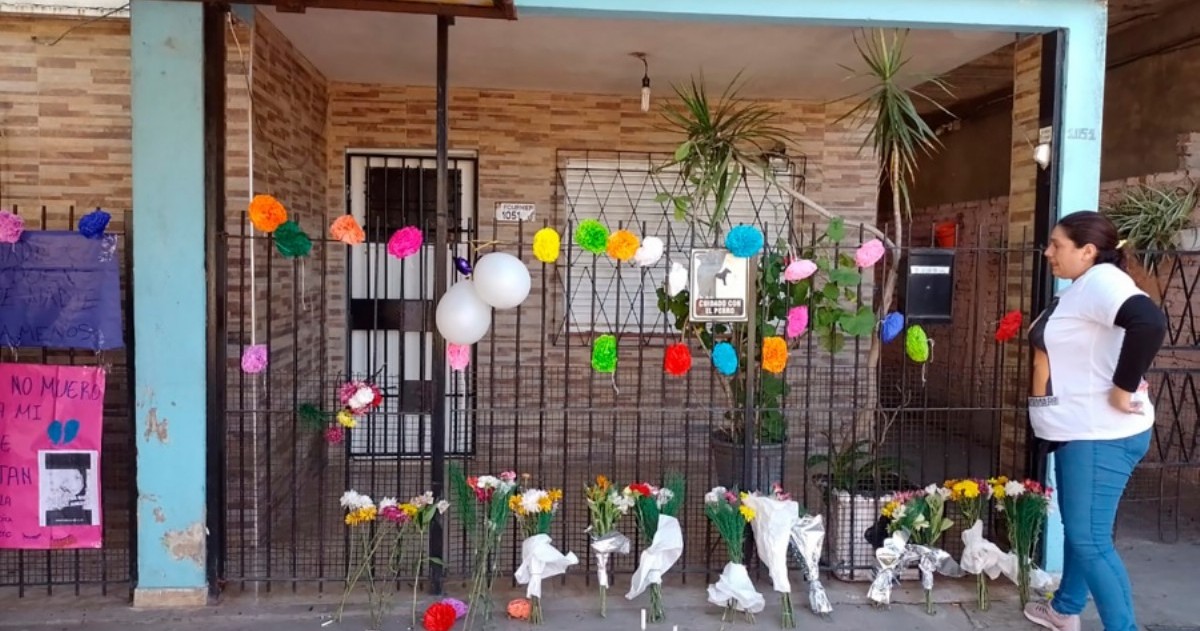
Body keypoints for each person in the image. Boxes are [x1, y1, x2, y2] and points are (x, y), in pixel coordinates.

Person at [1023, 211, 1167, 631]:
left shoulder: (1102, 282)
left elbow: (1150, 322)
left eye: (1057, 245)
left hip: (1098, 435)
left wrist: (1123, 387)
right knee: (1081, 531)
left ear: (1087, 251)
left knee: (1090, 540)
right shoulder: (1082, 287)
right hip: (1080, 431)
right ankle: (1065, 608)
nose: (1048, 252)